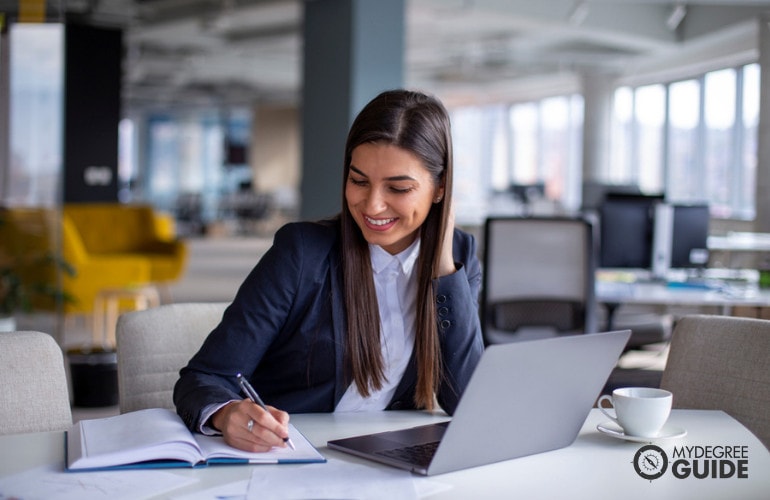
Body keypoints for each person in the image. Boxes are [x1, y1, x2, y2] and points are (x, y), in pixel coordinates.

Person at [173, 89, 484, 453]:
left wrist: (443, 268)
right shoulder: (302, 252)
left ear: (439, 189)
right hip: (291, 457)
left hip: (386, 461)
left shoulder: (460, 257)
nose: (372, 204)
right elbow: (203, 378)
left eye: (398, 188)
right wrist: (227, 414)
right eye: (359, 181)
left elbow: (466, 402)